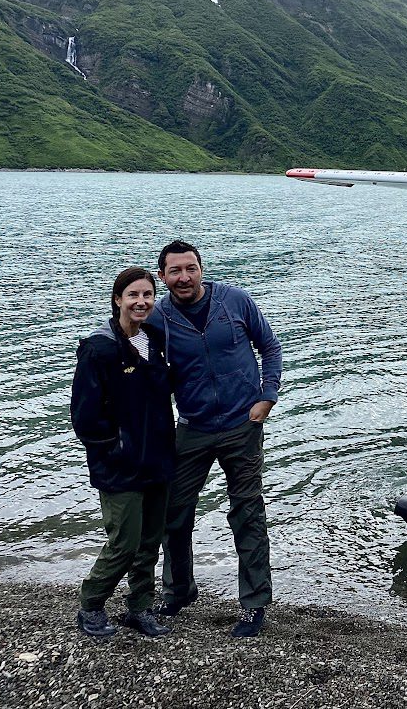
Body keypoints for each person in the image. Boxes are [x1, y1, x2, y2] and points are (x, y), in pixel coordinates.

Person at [147, 239, 282, 637]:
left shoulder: (235, 301)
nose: (184, 277)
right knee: (174, 514)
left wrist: (267, 396)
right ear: (163, 277)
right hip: (193, 427)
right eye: (175, 271)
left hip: (243, 424)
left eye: (190, 268)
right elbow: (138, 357)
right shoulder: (159, 317)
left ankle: (255, 603)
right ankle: (179, 590)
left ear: (201, 269)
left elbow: (270, 347)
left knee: (248, 513)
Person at [71, 267, 176, 638]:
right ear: (118, 299)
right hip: (119, 465)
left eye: (148, 295)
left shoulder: (156, 338)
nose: (141, 302)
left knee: (150, 541)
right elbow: (84, 416)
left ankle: (140, 608)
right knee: (124, 542)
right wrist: (113, 448)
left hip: (159, 458)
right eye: (133, 295)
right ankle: (92, 604)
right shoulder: (99, 348)